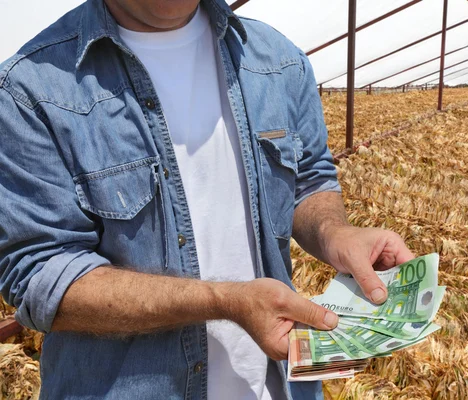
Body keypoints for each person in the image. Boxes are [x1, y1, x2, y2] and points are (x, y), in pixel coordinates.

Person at [0, 0, 414, 398]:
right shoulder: (30, 90)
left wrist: (335, 233)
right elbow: (43, 277)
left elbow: (309, 179)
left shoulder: (277, 60)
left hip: (280, 387)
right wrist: (227, 302)